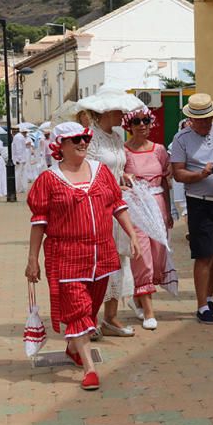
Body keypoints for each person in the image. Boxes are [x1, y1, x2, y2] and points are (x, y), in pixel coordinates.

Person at [26, 122, 139, 391]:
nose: (83, 143)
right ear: (59, 146)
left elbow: (117, 206)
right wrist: (32, 258)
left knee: (90, 307)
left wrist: (132, 234)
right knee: (78, 309)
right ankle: (90, 368)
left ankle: (73, 346)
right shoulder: (48, 179)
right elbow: (39, 221)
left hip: (101, 255)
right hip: (66, 255)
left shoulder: (101, 173)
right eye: (76, 139)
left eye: (86, 138)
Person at [169, 93, 213, 324]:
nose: (206, 123)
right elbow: (177, 173)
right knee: (203, 255)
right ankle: (202, 306)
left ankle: (208, 297)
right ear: (191, 119)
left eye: (209, 118)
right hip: (199, 202)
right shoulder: (181, 139)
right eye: (201, 120)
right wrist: (201, 173)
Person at [82, 91, 146, 338]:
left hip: (118, 204)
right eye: (119, 111)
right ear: (107, 112)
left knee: (120, 260)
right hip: (98, 207)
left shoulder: (117, 137)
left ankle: (110, 316)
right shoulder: (91, 138)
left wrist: (124, 177)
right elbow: (86, 172)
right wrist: (111, 186)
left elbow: (116, 168)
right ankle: (90, 317)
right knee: (99, 261)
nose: (123, 115)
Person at [124, 105, 177, 330]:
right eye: (137, 122)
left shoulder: (159, 150)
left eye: (146, 120)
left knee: (157, 254)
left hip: (158, 204)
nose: (142, 125)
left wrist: (170, 210)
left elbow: (166, 181)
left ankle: (138, 296)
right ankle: (148, 310)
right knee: (142, 254)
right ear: (129, 126)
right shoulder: (124, 151)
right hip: (136, 205)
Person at [11, 125, 32, 193]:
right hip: (22, 159)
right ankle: (22, 188)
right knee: (22, 174)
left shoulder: (18, 137)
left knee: (18, 174)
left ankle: (17, 188)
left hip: (19, 159)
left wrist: (18, 159)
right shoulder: (20, 136)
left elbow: (19, 149)